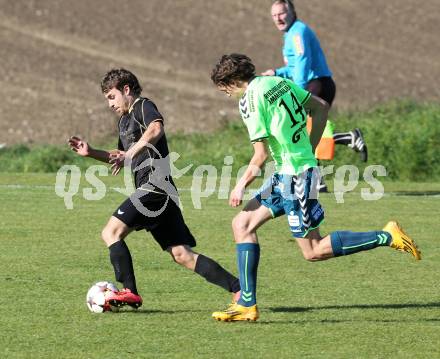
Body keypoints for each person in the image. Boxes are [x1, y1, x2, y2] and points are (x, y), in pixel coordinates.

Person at [210, 53, 421, 322]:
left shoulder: (250, 100)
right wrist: (309, 148)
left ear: (231, 82)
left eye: (224, 89)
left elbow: (259, 157)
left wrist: (239, 185)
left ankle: (387, 236)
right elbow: (320, 107)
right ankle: (246, 304)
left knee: (314, 250)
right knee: (242, 225)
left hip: (296, 178)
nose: (226, 95)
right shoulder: (277, 82)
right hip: (288, 173)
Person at [69, 68, 240, 309]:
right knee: (182, 255)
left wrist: (128, 153)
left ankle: (129, 291)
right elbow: (123, 156)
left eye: (111, 96)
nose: (109, 104)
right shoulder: (124, 121)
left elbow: (156, 129)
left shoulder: (143, 106)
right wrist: (92, 152)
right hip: (161, 193)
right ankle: (238, 289)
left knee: (111, 233)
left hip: (154, 186)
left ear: (126, 90)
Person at [262, 0, 368, 185]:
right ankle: (344, 145)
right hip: (316, 83)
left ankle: (316, 178)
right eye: (274, 15)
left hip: (316, 84)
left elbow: (303, 61)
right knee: (306, 131)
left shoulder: (297, 32)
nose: (278, 18)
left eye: (281, 13)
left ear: (292, 12)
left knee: (300, 130)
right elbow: (295, 66)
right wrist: (277, 73)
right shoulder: (291, 35)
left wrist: (299, 91)